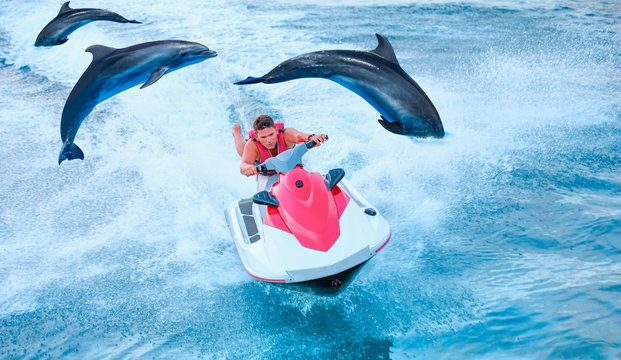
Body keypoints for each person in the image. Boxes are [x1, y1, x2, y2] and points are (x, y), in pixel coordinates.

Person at [233, 115, 327, 176]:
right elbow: (243, 165)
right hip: (264, 170)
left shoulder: (286, 134)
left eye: (271, 135)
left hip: (289, 169)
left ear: (277, 131)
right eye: (263, 137)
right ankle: (236, 132)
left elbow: (299, 135)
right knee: (242, 150)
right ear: (257, 137)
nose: (269, 140)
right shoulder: (253, 144)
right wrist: (249, 168)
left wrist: (312, 137)